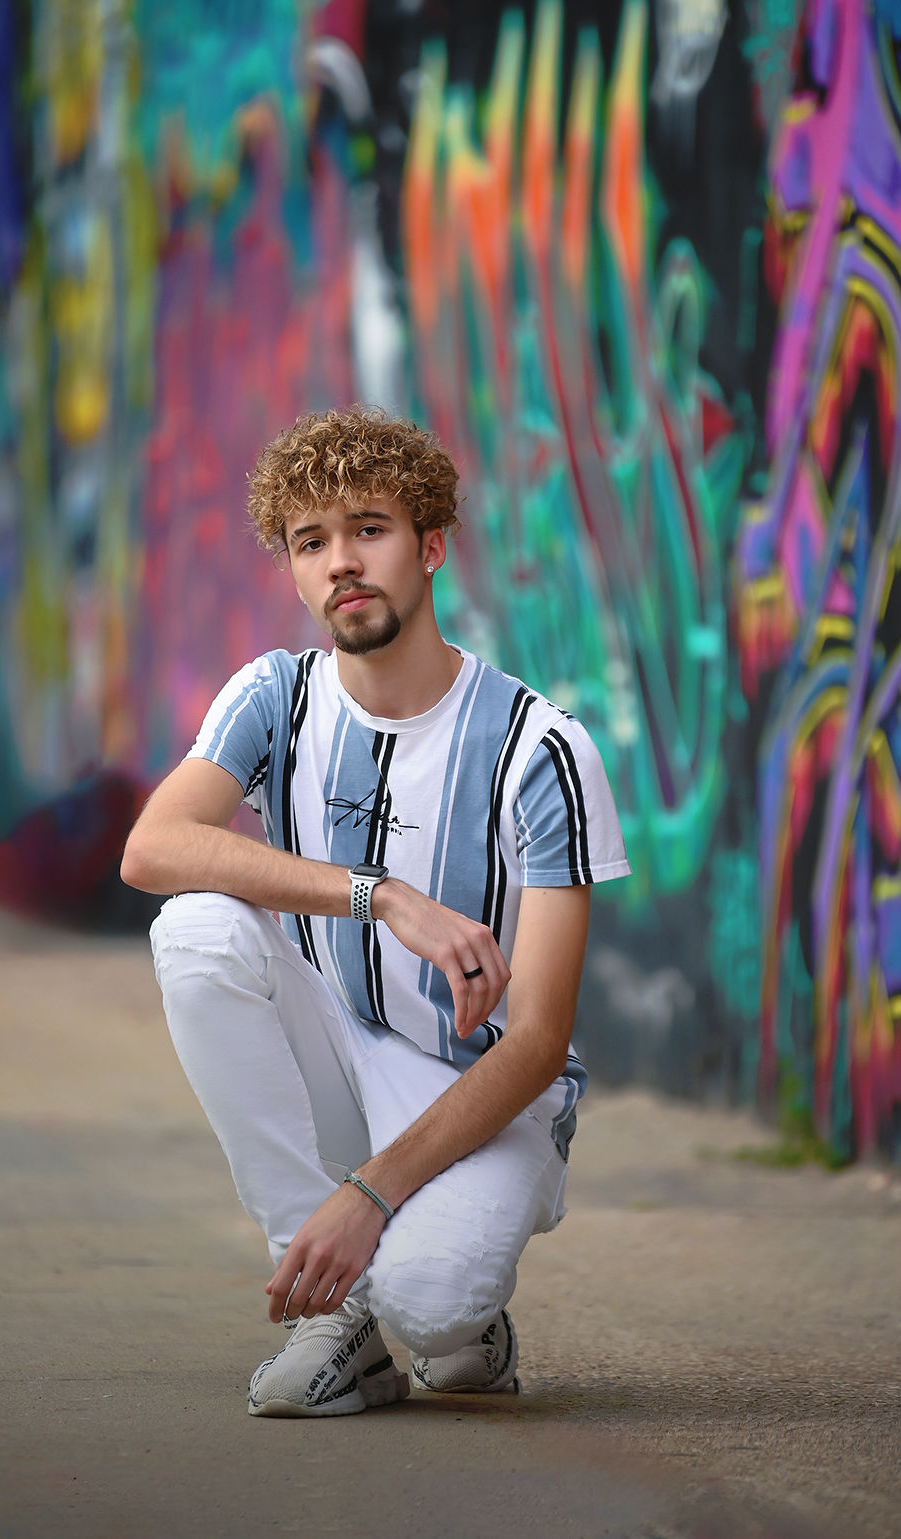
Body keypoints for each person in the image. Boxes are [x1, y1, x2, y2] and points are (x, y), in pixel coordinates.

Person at [121, 406, 631, 1418]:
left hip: (483, 1089)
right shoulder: (277, 698)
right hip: (342, 1045)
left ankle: (454, 1317)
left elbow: (537, 1042)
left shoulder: (542, 750)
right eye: (311, 543)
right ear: (295, 571)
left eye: (368, 529)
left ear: (431, 546)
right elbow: (152, 850)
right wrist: (382, 896)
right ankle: (333, 1320)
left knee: (434, 1304)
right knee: (195, 930)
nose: (340, 563)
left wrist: (368, 1194)